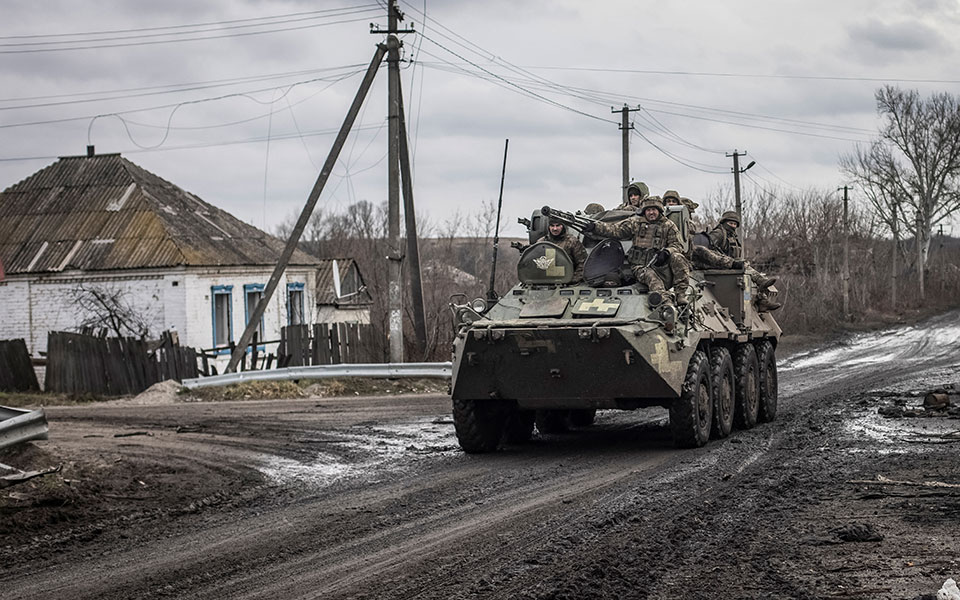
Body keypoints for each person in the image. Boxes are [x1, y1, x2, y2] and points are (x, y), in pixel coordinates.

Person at [582, 196, 686, 306]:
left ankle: (681, 294)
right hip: (640, 266)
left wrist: (667, 252)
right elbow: (614, 229)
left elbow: (677, 245)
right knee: (651, 278)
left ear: (659, 210)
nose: (651, 213)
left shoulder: (668, 225)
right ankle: (666, 303)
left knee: (678, 257)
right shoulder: (636, 223)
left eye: (654, 210)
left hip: (661, 266)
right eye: (648, 210)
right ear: (644, 211)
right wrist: (595, 227)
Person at [706, 211, 781, 311]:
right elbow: (708, 249)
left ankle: (762, 301)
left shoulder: (732, 236)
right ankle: (761, 282)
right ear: (724, 222)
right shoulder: (718, 234)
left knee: (749, 278)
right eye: (730, 223)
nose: (732, 226)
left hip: (732, 265)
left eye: (735, 224)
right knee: (746, 269)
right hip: (721, 265)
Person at [538, 217, 587, 283]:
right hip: (545, 282)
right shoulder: (541, 243)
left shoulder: (572, 242)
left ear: (563, 226)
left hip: (568, 282)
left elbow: (583, 263)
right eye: (552, 226)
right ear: (549, 227)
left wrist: (572, 280)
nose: (555, 229)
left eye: (558, 225)